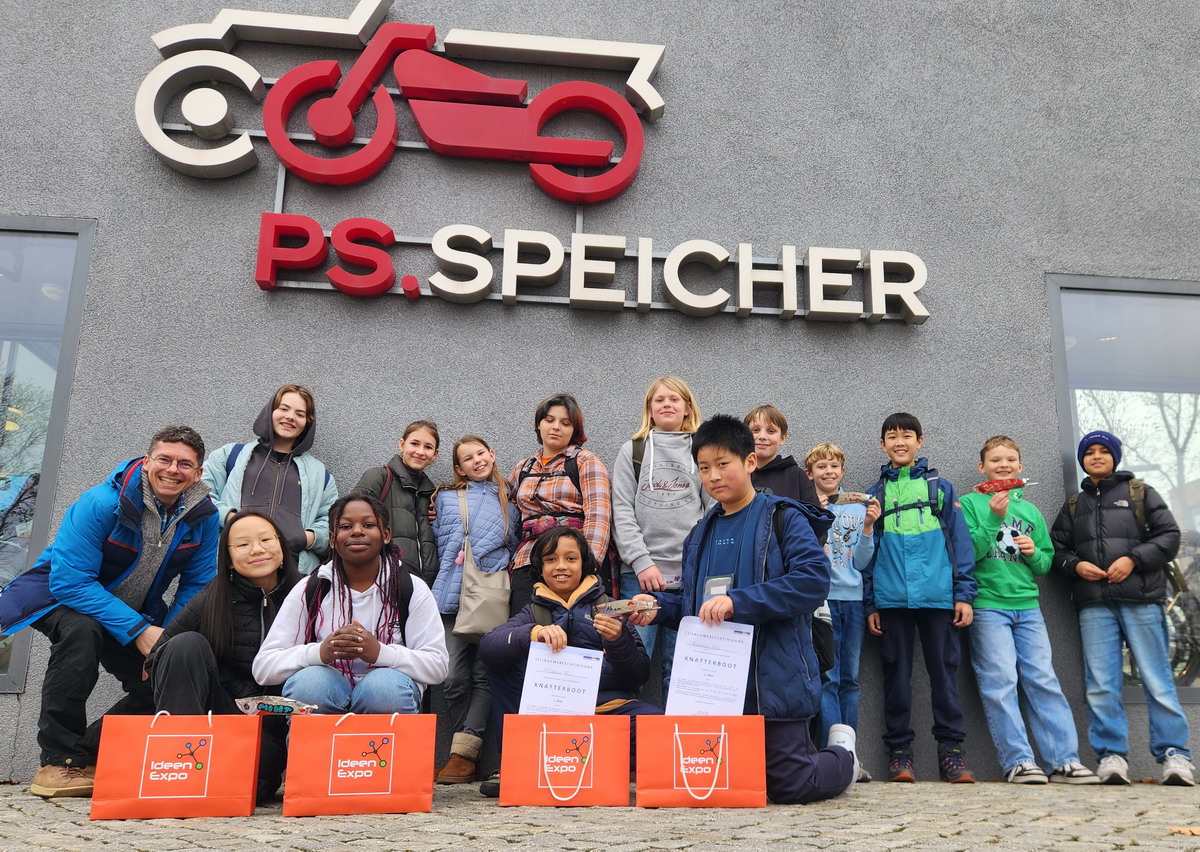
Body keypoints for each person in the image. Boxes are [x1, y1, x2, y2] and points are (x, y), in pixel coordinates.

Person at [632, 415, 856, 805]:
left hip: (774, 680)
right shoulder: (699, 533)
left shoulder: (784, 517)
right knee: (721, 783)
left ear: (750, 462)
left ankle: (843, 755)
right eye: (704, 468)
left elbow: (812, 582)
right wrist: (658, 607)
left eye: (723, 464)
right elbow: (696, 606)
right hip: (717, 688)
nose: (713, 476)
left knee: (792, 784)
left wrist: (739, 601)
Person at [0, 426, 219, 798]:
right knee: (82, 633)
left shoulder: (205, 518)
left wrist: (166, 639)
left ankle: (84, 757)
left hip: (128, 611)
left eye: (184, 464)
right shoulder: (101, 502)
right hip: (61, 598)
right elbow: (69, 581)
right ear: (147, 461)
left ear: (198, 474)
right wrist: (139, 630)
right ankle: (56, 762)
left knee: (161, 678)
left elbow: (196, 586)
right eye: (164, 459)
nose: (172, 469)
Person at [1050, 430, 1194, 786]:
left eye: (1104, 451)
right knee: (1101, 684)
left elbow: (1169, 536)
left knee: (1158, 679)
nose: (1097, 456)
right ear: (1083, 460)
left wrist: (1133, 559)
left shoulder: (1139, 493)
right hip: (1094, 605)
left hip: (1142, 601)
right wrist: (1076, 566)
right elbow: (1056, 550)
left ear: (1115, 457)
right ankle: (1111, 756)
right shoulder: (1074, 505)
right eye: (1090, 452)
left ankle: (1175, 755)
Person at [480, 526, 660, 798]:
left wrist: (618, 641)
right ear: (540, 569)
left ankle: (581, 764)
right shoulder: (533, 611)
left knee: (658, 727)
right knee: (502, 661)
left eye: (571, 558)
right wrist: (533, 633)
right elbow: (488, 647)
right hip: (549, 715)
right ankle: (516, 762)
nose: (561, 566)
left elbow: (639, 675)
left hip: (606, 712)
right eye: (551, 559)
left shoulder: (611, 608)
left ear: (584, 563)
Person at [960, 436, 1099, 785]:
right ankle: (1018, 761)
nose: (1003, 465)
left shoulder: (1031, 512)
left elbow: (1045, 563)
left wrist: (1032, 552)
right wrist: (994, 518)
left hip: (1029, 607)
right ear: (982, 467)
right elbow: (969, 553)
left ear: (1020, 466)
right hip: (988, 606)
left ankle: (1064, 761)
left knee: (1043, 681)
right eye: (995, 460)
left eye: (1010, 460)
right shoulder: (969, 503)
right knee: (1000, 682)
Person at [147, 511, 301, 800]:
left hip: (278, 726)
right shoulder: (214, 596)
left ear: (281, 546)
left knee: (252, 781)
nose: (257, 550)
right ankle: (177, 760)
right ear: (228, 558)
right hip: (223, 715)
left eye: (266, 540)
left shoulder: (310, 592)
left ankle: (218, 774)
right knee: (185, 645)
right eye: (242, 544)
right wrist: (231, 689)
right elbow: (158, 657)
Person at [252, 494, 448, 715]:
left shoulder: (410, 587)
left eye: (369, 525)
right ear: (332, 539)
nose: (357, 531)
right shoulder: (311, 588)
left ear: (385, 535)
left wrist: (381, 653)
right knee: (310, 683)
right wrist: (320, 652)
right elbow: (263, 668)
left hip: (389, 695)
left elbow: (438, 666)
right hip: (327, 695)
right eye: (345, 526)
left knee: (382, 688)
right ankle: (318, 739)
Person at [863, 412, 977, 783]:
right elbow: (867, 551)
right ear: (882, 444)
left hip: (939, 597)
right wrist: (871, 602)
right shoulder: (876, 494)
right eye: (892, 436)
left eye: (907, 435)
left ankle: (952, 755)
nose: (900, 442)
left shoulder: (940, 487)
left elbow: (960, 543)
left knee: (944, 678)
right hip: (892, 600)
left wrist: (964, 594)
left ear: (920, 441)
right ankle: (900, 755)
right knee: (896, 679)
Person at [430, 435, 517, 784]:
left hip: (487, 598)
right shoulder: (445, 498)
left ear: (492, 455)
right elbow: (436, 540)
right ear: (459, 468)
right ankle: (461, 745)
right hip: (449, 595)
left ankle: (463, 754)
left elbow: (514, 546)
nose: (477, 460)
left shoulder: (509, 500)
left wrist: (492, 561)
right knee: (451, 676)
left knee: (483, 677)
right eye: (468, 458)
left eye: (481, 453)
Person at [610, 376, 705, 695]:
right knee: (632, 666)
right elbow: (621, 511)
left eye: (674, 399)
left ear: (687, 407)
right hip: (640, 578)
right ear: (649, 408)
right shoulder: (633, 450)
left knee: (682, 674)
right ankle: (630, 728)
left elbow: (713, 510)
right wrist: (642, 562)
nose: (667, 404)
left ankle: (677, 730)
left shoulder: (701, 450)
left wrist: (697, 566)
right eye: (659, 399)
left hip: (690, 580)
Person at [202, 384, 337, 574]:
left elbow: (332, 525)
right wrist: (233, 519)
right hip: (231, 570)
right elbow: (201, 498)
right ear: (270, 412)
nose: (290, 417)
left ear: (307, 422)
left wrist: (305, 538)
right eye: (283, 409)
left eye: (299, 414)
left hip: (293, 575)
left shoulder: (320, 474)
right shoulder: (229, 456)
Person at [805, 443, 879, 775]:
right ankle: (834, 756)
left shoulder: (859, 508)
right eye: (821, 467)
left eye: (834, 466)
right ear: (809, 474)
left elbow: (862, 562)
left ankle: (851, 756)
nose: (829, 471)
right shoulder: (807, 508)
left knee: (850, 679)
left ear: (842, 472)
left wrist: (868, 527)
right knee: (828, 678)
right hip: (822, 600)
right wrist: (815, 518)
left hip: (853, 600)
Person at [507, 394, 611, 618]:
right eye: (550, 420)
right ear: (539, 424)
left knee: (576, 631)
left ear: (574, 430)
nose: (556, 427)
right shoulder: (523, 468)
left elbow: (599, 516)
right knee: (528, 629)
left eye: (565, 423)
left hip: (572, 565)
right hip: (528, 563)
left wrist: (588, 568)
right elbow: (501, 505)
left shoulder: (585, 462)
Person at [353, 420, 440, 586]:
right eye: (414, 444)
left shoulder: (431, 494)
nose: (420, 452)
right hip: (381, 582)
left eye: (428, 447)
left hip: (421, 588)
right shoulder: (378, 478)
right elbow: (348, 522)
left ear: (434, 454)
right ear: (402, 444)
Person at [744, 405, 820, 506]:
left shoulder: (796, 476)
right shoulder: (737, 473)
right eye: (755, 430)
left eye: (771, 431)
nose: (762, 436)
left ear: (782, 438)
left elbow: (813, 513)